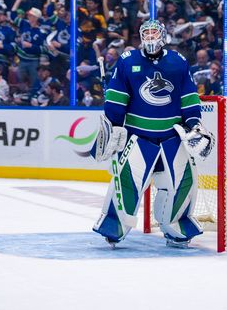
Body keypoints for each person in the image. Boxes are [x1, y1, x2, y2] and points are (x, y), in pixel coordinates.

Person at [91, 20, 213, 249]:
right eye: (145, 32)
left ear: (163, 35)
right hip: (138, 137)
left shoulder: (178, 62)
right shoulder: (128, 61)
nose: (149, 36)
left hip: (172, 137)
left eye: (153, 32)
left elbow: (188, 97)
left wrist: (195, 124)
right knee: (127, 183)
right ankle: (114, 225)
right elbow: (117, 96)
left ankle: (177, 226)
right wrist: (113, 124)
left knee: (182, 183)